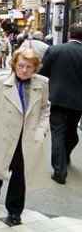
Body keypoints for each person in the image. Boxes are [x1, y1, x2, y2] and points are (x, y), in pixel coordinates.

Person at [0, 48, 50, 226]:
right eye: (21, 65)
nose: (24, 70)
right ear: (14, 64)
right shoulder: (0, 81)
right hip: (4, 132)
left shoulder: (42, 84)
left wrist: (41, 131)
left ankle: (14, 210)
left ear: (35, 68)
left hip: (27, 136)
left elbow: (45, 108)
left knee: (20, 174)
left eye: (29, 67)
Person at [39, 24, 82, 184]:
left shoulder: (56, 50)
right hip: (78, 102)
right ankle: (66, 155)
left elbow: (42, 72)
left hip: (57, 98)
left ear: (69, 34)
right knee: (71, 130)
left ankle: (60, 171)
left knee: (57, 132)